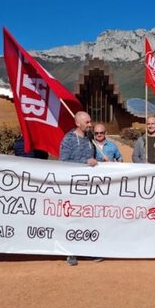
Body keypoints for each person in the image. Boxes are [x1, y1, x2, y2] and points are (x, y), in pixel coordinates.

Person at [59, 111, 98, 266]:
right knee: (71, 220)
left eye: (90, 122)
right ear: (78, 123)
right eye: (87, 122)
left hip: (88, 188)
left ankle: (87, 250)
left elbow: (93, 161)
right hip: (72, 188)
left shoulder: (90, 139)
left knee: (87, 219)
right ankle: (70, 252)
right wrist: (85, 162)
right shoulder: (68, 139)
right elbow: (64, 161)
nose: (90, 125)